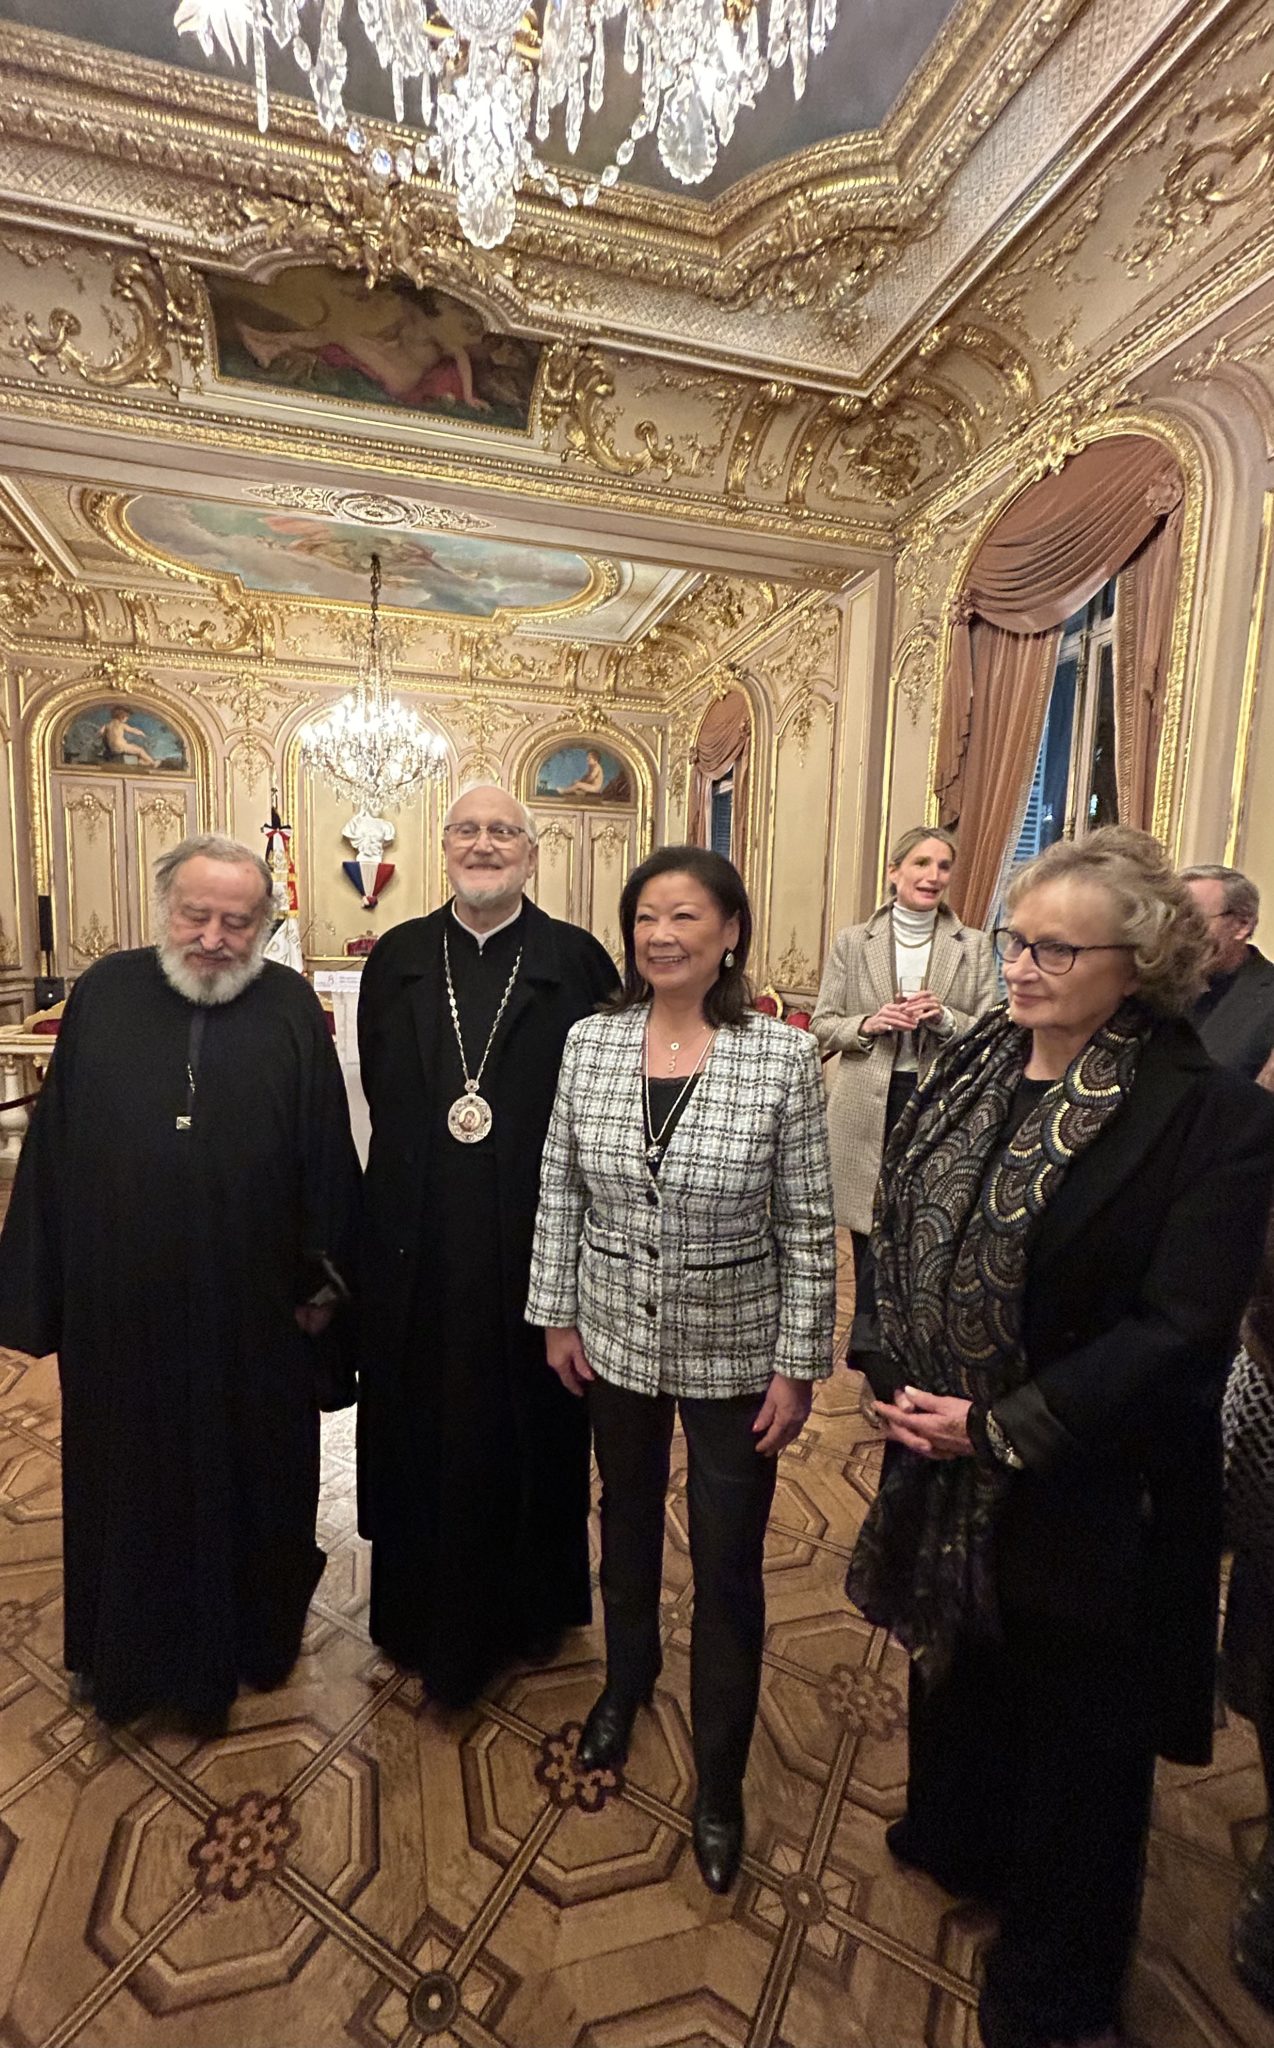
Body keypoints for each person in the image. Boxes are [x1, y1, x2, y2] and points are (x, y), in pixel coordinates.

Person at [845, 826, 1274, 2048]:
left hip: (1087, 1482)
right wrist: (885, 1362)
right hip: (937, 1446)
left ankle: (1054, 1981)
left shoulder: (1206, 1114)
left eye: (1052, 950)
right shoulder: (977, 1056)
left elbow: (1178, 1329)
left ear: (1138, 962)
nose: (1019, 967)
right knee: (962, 1672)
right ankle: (961, 1836)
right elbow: (896, 1219)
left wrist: (995, 1426)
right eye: (1012, 941)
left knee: (1077, 1743)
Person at [526, 847, 837, 1895]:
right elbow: (560, 1186)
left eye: (685, 916)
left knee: (727, 1560)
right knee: (621, 1522)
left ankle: (719, 1779)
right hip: (613, 1332)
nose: (661, 935)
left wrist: (797, 1366)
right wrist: (555, 1312)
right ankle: (624, 1684)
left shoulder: (781, 1057)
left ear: (730, 932)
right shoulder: (591, 1041)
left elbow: (806, 1223)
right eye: (646, 917)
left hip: (735, 1348)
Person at [0, 834, 361, 1727]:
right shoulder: (105, 992)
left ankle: (256, 1638)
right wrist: (44, 1295)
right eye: (196, 915)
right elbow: (54, 1151)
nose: (213, 938)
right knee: (127, 1477)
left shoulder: (288, 1004)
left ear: (263, 925)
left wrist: (324, 1289)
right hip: (120, 1307)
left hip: (255, 1312)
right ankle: (122, 1650)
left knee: (255, 1473)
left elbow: (325, 1154)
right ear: (165, 908)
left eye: (237, 922)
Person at [356, 783, 617, 1707]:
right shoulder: (397, 957)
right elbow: (385, 1099)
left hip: (536, 1250)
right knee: (419, 1426)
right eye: (467, 830)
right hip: (415, 1251)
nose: (484, 844)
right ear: (443, 846)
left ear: (531, 853)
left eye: (503, 831)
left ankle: (529, 1612)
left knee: (532, 1430)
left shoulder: (577, 961)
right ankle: (413, 1615)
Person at [810, 826, 996, 1338]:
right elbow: (823, 1024)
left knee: (925, 1224)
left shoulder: (974, 945)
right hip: (864, 1103)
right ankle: (872, 1345)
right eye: (921, 863)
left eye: (943, 866)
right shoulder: (853, 942)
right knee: (868, 1226)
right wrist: (869, 1023)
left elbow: (991, 1028)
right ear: (894, 872)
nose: (933, 875)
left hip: (938, 1098)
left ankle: (913, 1338)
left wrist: (945, 1018)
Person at [1182, 863, 1274, 1080]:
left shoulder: (1268, 997)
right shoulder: (1153, 988)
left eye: (1194, 920)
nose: (1181, 932)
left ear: (1243, 925)